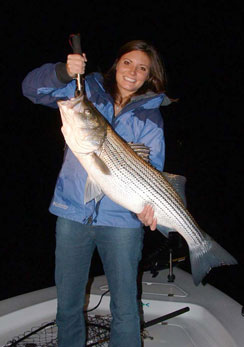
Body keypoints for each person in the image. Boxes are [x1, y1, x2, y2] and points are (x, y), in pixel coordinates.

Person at [22, 39, 171, 347]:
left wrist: (145, 210)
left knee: (125, 308)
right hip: (73, 214)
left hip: (122, 225)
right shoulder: (87, 91)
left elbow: (151, 173)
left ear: (149, 76)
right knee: (68, 305)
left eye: (142, 68)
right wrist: (63, 72)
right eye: (128, 62)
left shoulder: (150, 119)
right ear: (117, 64)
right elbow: (32, 90)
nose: (133, 72)